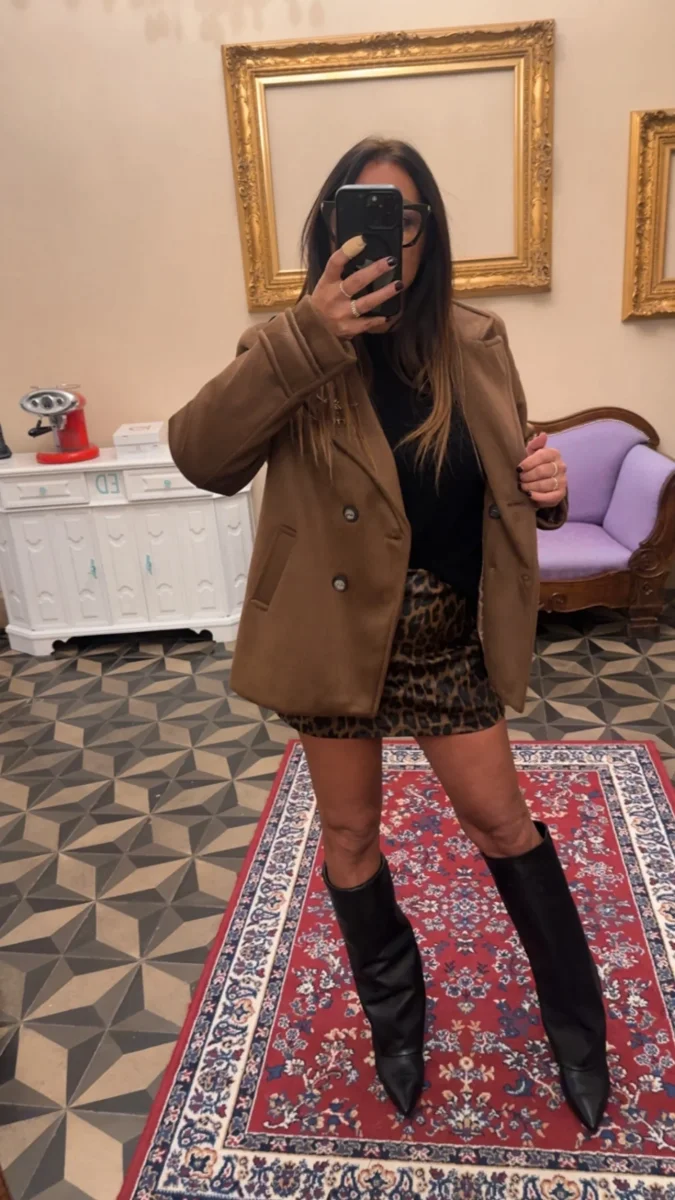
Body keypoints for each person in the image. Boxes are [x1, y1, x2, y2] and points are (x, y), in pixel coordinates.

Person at [169, 137, 609, 1132]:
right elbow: (200, 456)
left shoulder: (477, 340)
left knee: (504, 823)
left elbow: (508, 471)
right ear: (328, 227)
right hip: (335, 640)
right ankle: (396, 1024)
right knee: (350, 833)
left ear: (426, 234)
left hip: (445, 637)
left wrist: (546, 490)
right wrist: (307, 331)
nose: (382, 236)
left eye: (402, 218)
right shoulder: (287, 349)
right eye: (358, 213)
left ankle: (577, 1028)